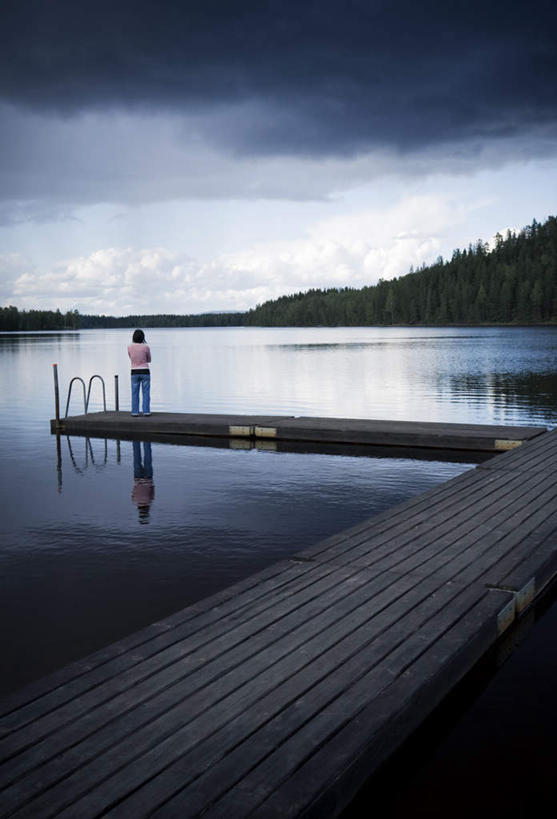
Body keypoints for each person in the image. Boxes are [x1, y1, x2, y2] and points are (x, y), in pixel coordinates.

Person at [128, 329, 151, 416]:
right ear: (143, 337)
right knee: (146, 392)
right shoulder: (146, 347)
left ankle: (135, 412)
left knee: (134, 392)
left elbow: (131, 357)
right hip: (145, 371)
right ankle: (146, 411)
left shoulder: (129, 347)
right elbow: (149, 359)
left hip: (134, 371)